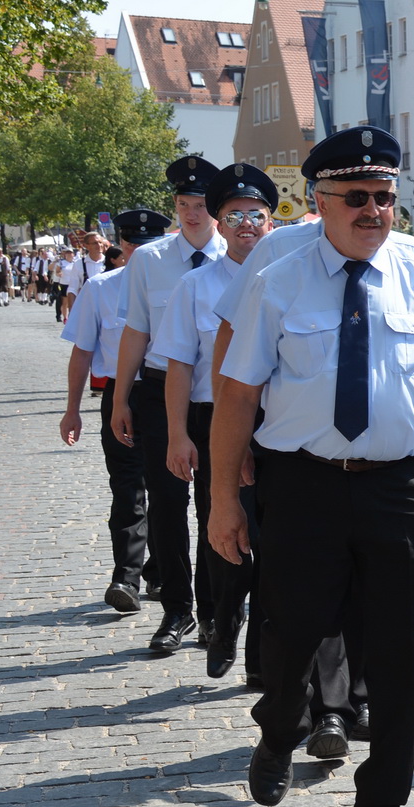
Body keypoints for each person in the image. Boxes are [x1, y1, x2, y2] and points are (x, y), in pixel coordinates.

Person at [212, 126, 414, 807]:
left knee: (401, 652)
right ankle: (279, 731)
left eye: (386, 197)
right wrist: (222, 498)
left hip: (399, 487)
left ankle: (381, 801)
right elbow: (237, 394)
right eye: (357, 198)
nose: (375, 211)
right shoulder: (279, 275)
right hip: (302, 485)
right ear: (320, 202)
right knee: (292, 637)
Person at [153, 164, 277, 683]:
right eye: (234, 215)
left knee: (279, 539)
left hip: (281, 423)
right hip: (217, 420)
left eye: (256, 214)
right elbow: (180, 364)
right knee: (227, 532)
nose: (246, 223)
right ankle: (223, 619)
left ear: (271, 221)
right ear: (219, 225)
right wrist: (178, 433)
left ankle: (264, 652)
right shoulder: (196, 287)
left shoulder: (291, 278)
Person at [111, 156, 226, 654]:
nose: (192, 214)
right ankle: (177, 608)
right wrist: (121, 397)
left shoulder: (242, 258)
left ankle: (218, 606)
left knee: (215, 506)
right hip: (160, 394)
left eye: (201, 205)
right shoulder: (150, 261)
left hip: (223, 399)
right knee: (167, 505)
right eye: (183, 205)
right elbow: (135, 330)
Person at [61, 211, 167, 612]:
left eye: (149, 245)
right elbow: (82, 350)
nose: (140, 252)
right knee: (127, 489)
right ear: (121, 246)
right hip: (120, 396)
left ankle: (161, 573)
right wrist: (72, 408)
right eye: (133, 245)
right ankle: (127, 577)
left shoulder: (181, 286)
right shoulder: (101, 288)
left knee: (167, 489)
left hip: (167, 395)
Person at [64, 231, 109, 316]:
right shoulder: (79, 264)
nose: (99, 245)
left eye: (100, 242)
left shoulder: (109, 262)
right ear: (86, 246)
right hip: (87, 309)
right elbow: (72, 289)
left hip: (107, 308)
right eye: (95, 243)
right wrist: (72, 312)